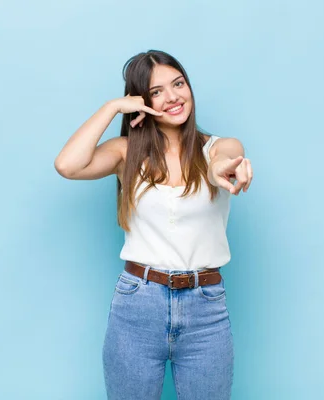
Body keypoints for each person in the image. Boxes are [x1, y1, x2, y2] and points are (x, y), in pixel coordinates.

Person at [54, 50, 253, 400]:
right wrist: (112, 107)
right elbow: (68, 165)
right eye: (157, 91)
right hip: (137, 304)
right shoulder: (124, 153)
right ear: (141, 102)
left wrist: (224, 169)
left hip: (205, 307)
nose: (173, 97)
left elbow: (221, 162)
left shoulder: (218, 147)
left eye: (178, 84)